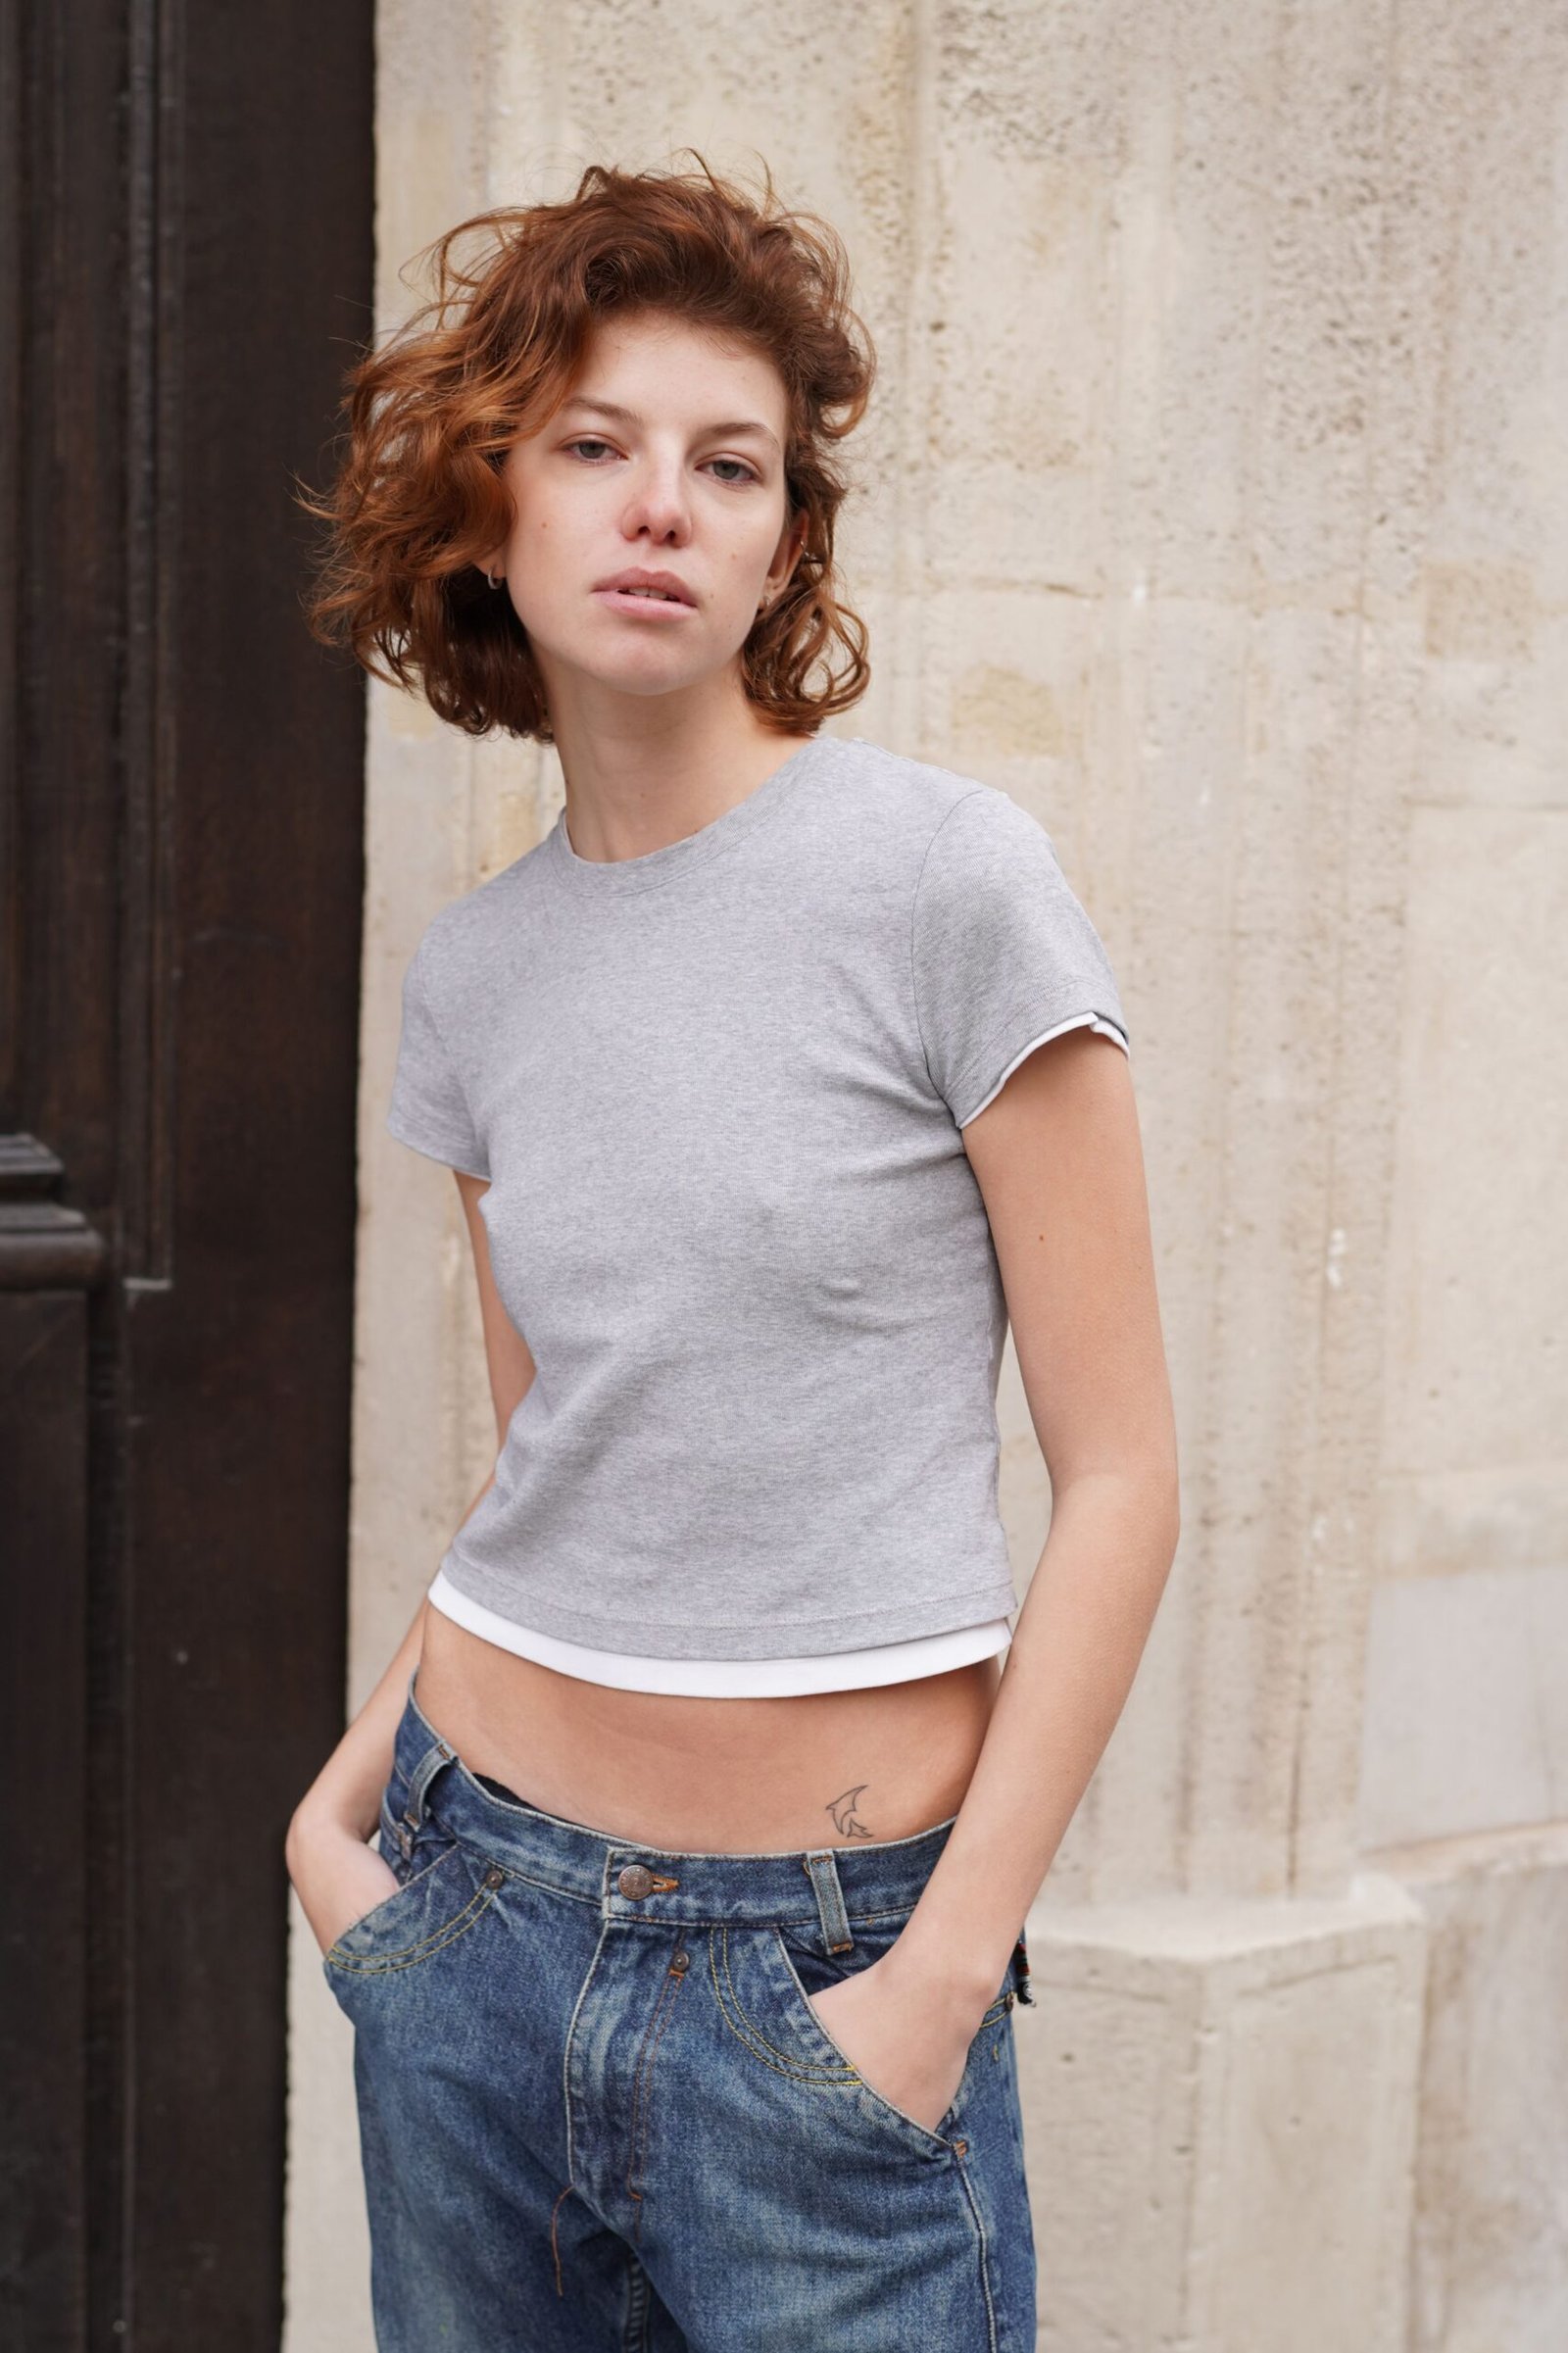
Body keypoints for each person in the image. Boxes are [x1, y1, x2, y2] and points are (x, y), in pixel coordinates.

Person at [286, 153, 1179, 2351]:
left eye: (729, 463)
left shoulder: (947, 883)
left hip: (829, 1976)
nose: (661, 507)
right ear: (490, 510)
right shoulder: (474, 976)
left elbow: (1125, 1477)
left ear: (784, 542)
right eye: (594, 446)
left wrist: (937, 1977)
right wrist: (340, 1816)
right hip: (468, 1922)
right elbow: (559, 1448)